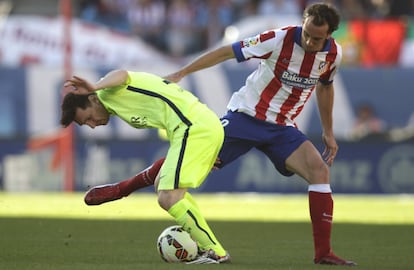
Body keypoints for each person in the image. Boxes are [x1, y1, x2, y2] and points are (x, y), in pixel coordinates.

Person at [84, 2, 356, 266]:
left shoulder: (334, 55)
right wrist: (184, 71)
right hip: (245, 117)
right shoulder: (280, 38)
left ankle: (324, 254)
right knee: (189, 156)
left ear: (330, 35)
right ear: (303, 24)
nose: (309, 41)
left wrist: (328, 132)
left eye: (316, 38)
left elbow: (325, 87)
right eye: (307, 34)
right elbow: (228, 51)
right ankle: (123, 188)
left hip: (283, 127)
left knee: (319, 172)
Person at [60, 69, 230, 264]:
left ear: (93, 101)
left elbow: (122, 74)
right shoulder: (116, 103)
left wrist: (95, 87)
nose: (91, 125)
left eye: (88, 117)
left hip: (193, 127)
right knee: (164, 187)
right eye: (85, 124)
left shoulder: (108, 92)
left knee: (168, 197)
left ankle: (214, 251)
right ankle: (208, 245)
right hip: (199, 126)